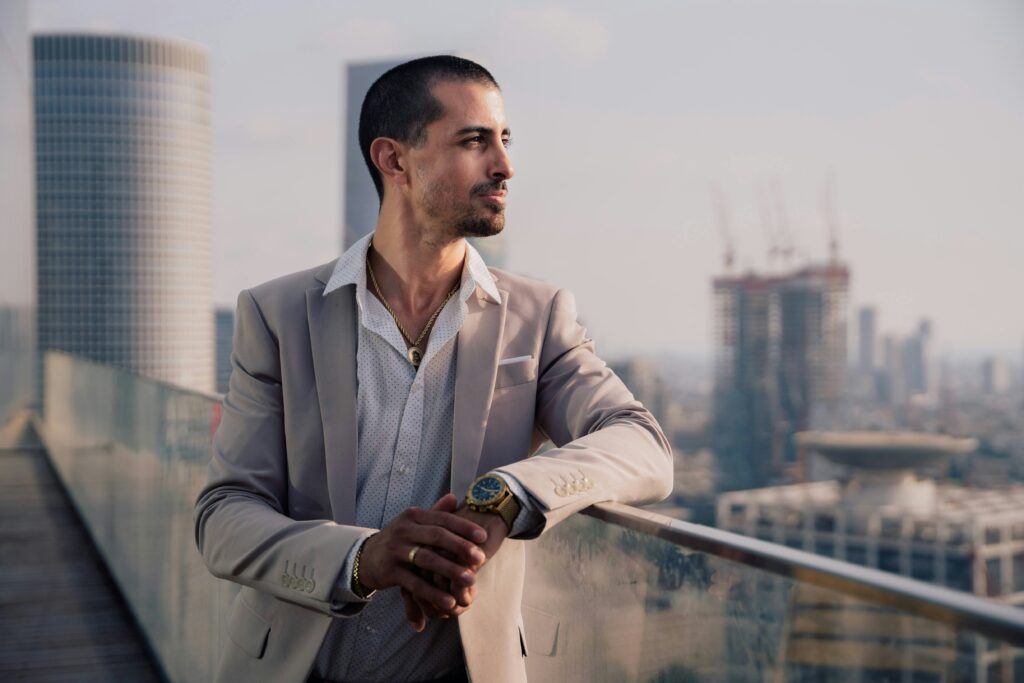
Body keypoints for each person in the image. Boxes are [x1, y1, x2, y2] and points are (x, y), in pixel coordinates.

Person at [194, 55, 672, 683]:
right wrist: (363, 558)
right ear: (394, 160)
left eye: (504, 139)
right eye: (475, 140)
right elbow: (225, 516)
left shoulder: (538, 316)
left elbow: (644, 446)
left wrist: (507, 497)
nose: (504, 165)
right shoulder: (277, 313)